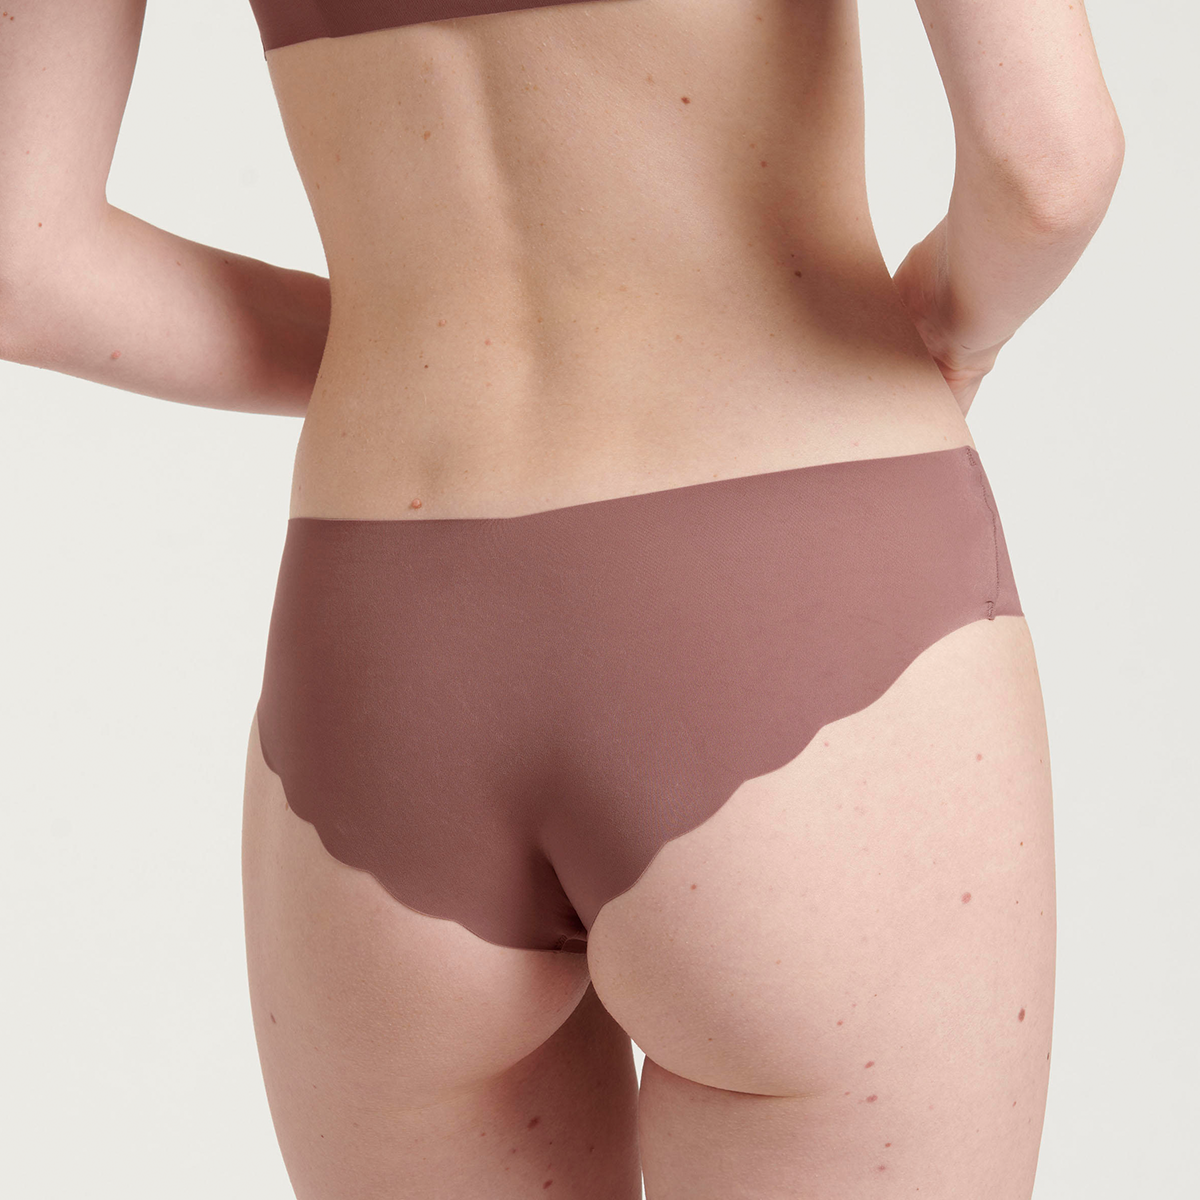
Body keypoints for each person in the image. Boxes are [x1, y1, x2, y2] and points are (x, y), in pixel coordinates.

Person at [0, 0, 1122, 1196]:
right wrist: (951, 327)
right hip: (795, 580)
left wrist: (413, 335)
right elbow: (1047, 168)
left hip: (384, 650)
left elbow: (27, 262)